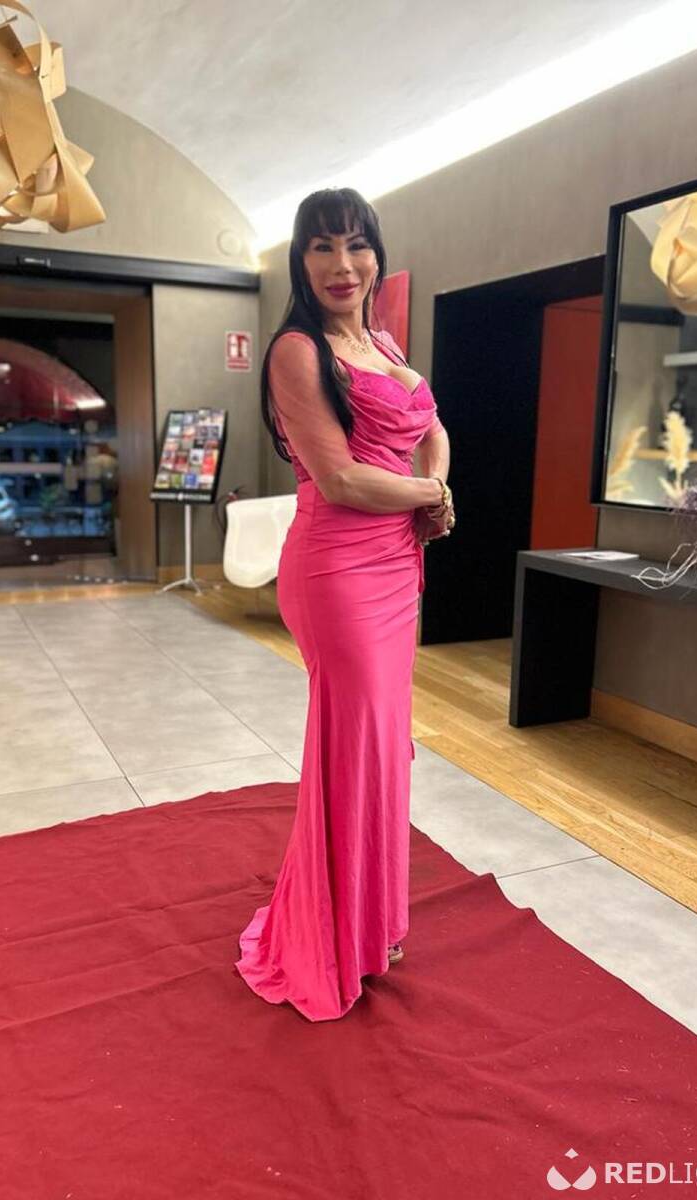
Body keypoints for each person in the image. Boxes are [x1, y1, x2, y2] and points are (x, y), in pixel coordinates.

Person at [234, 187, 454, 1021]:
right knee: (353, 748)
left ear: (376, 255)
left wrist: (435, 482)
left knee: (385, 748)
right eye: (322, 246)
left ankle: (371, 924)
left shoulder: (383, 341)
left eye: (356, 244)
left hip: (395, 566)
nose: (342, 264)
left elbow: (432, 428)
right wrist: (429, 494)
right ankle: (331, 935)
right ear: (300, 260)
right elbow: (341, 479)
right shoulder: (297, 351)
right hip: (338, 571)